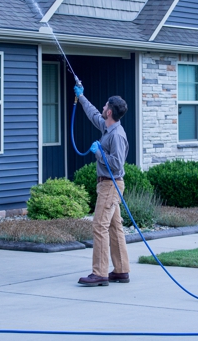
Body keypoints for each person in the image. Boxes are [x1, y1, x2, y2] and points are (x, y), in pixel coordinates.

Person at [74, 84, 131, 287]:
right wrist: (81, 96)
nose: (103, 106)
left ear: (110, 111)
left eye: (105, 105)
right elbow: (93, 114)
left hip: (110, 185)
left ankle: (99, 273)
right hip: (109, 185)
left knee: (99, 226)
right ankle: (121, 270)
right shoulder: (108, 127)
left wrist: (98, 153)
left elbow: (116, 164)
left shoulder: (116, 135)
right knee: (115, 227)